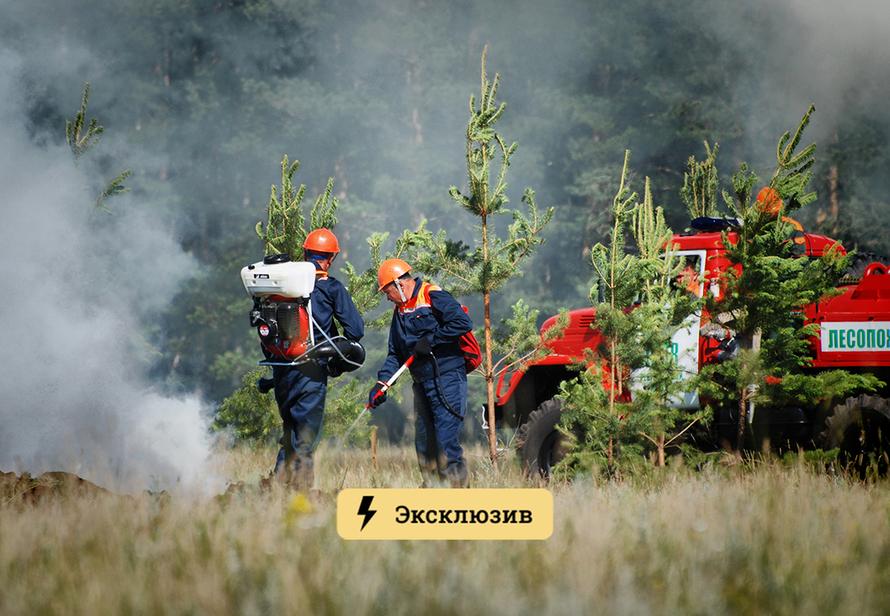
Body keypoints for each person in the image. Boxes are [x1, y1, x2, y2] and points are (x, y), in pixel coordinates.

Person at [263, 228, 364, 490]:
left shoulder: (283, 287)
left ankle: (277, 489)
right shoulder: (330, 287)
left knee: (290, 431)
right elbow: (355, 330)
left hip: (282, 369)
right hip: (311, 370)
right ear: (330, 259)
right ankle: (301, 494)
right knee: (305, 438)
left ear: (305, 252)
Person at [368, 258, 473, 487]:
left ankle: (458, 494)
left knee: (446, 442)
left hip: (447, 379)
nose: (387, 298)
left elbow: (462, 322)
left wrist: (432, 340)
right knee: (425, 445)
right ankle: (431, 491)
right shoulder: (400, 311)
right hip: (421, 383)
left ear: (400, 284)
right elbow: (395, 353)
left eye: (387, 292)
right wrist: (382, 384)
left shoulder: (432, 295)